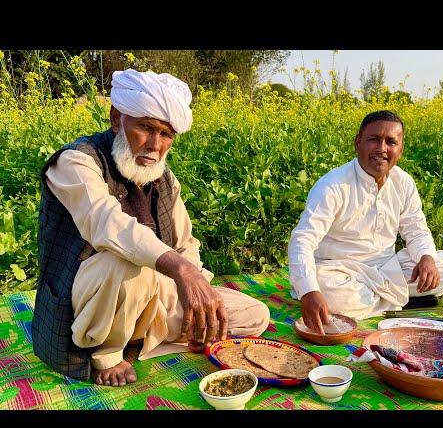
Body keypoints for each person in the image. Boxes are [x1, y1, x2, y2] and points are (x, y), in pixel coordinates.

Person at [32, 69, 270, 386]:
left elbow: (185, 243)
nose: (155, 145)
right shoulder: (76, 162)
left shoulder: (163, 178)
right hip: (85, 302)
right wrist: (181, 270)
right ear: (117, 119)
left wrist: (198, 294)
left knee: (253, 316)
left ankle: (143, 333)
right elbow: (107, 223)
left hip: (149, 296)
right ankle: (107, 352)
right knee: (128, 263)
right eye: (145, 128)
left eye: (166, 134)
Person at [288, 110, 443, 334]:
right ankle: (404, 301)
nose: (382, 148)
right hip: (340, 270)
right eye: (374, 139)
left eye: (391, 142)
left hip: (386, 267)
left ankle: (382, 303)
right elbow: (303, 239)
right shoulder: (333, 185)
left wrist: (426, 258)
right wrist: (309, 292)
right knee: (325, 290)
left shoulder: (403, 182)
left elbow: (416, 230)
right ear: (358, 143)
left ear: (400, 149)